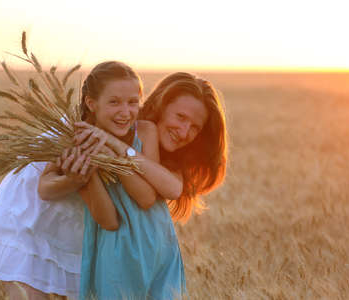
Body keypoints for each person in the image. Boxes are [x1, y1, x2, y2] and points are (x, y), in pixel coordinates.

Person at [0, 61, 144, 300]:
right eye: (114, 102)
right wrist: (74, 180)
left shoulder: (131, 136)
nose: (125, 112)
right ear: (92, 103)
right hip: (30, 221)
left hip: (70, 230)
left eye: (133, 102)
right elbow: (45, 189)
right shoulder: (73, 131)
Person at [65, 71, 228, 299]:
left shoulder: (176, 159)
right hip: (114, 252)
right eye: (181, 117)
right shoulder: (127, 128)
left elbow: (172, 189)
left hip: (157, 255)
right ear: (162, 105)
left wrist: (116, 147)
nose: (184, 132)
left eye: (194, 127)